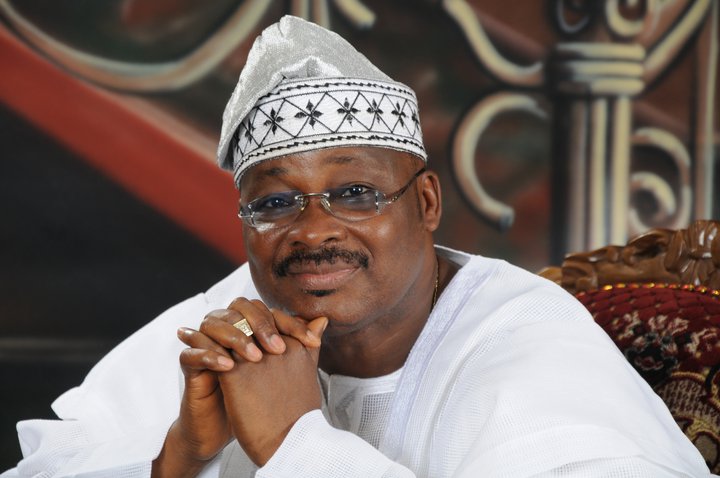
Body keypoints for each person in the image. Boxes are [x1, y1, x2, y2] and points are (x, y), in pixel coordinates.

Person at [2, 15, 714, 478]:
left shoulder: (526, 345)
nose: (313, 231)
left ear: (426, 203)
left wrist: (294, 442)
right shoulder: (228, 322)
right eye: (275, 203)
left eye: (355, 193)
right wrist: (180, 455)